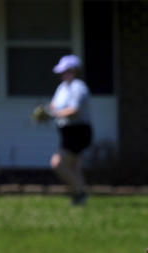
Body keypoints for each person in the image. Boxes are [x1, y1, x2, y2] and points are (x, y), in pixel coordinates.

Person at [47, 54, 93, 205]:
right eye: (61, 72)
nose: (62, 75)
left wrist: (54, 114)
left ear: (74, 71)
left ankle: (79, 193)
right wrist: (45, 112)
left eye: (66, 71)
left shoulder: (78, 87)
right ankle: (80, 197)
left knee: (58, 163)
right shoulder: (62, 87)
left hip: (78, 132)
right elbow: (53, 106)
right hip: (67, 132)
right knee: (74, 166)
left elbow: (75, 110)